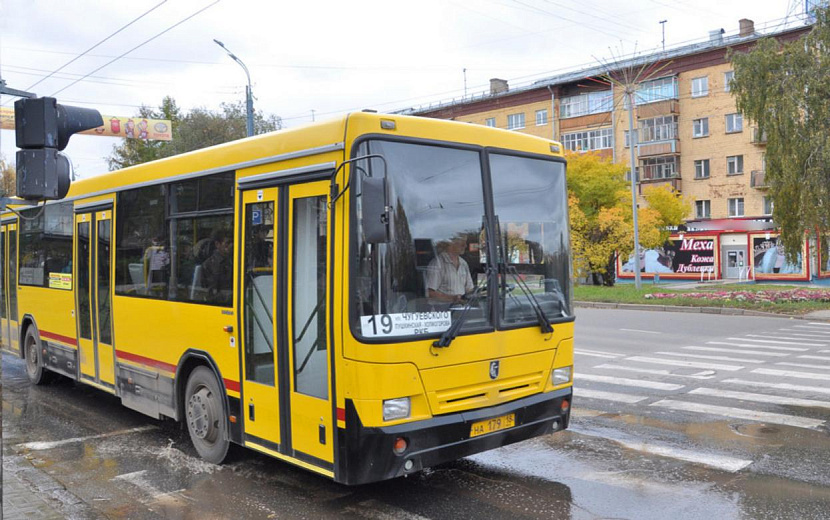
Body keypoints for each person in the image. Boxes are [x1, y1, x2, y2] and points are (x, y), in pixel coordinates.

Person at [426, 237, 474, 304]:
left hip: (462, 311)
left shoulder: (464, 263)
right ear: (451, 243)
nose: (465, 245)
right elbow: (429, 293)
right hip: (443, 311)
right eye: (462, 242)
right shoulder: (437, 263)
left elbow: (469, 289)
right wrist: (452, 298)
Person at [201, 229, 233, 303]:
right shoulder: (208, 265)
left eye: (233, 242)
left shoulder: (236, 260)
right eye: (227, 243)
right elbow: (210, 292)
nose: (231, 246)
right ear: (217, 244)